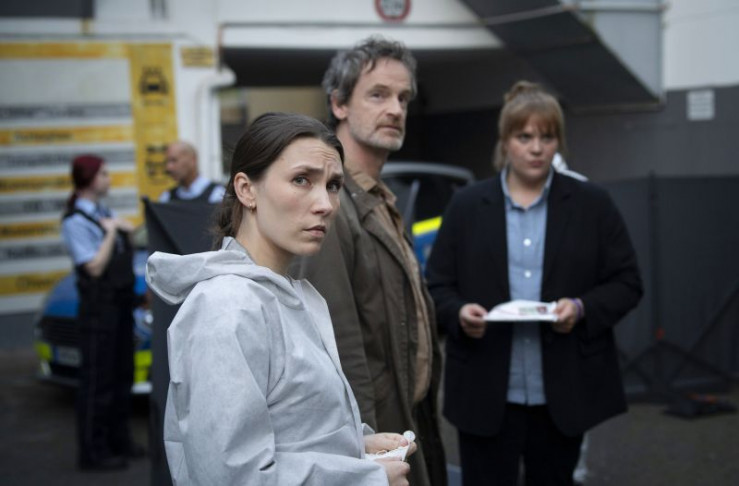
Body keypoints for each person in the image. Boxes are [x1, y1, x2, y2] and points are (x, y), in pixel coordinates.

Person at [146, 112, 415, 485]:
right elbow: (232, 476)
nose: (325, 204)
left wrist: (356, 446)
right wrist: (364, 479)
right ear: (246, 190)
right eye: (301, 179)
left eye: (333, 185)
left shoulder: (287, 292)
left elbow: (290, 430)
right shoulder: (226, 307)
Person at [425, 81, 643, 486]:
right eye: (524, 137)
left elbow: (628, 282)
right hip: (484, 391)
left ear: (559, 142)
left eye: (547, 137)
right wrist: (459, 313)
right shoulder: (466, 206)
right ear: (505, 141)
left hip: (563, 394)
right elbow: (436, 286)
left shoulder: (592, 205)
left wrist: (581, 308)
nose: (537, 148)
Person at [291, 36, 447, 486]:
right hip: (371, 438)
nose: (396, 109)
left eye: (403, 98)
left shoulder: (376, 197)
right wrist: (361, 458)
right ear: (338, 103)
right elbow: (335, 347)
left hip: (404, 422)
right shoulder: (332, 205)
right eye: (378, 95)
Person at [61, 155, 144, 471]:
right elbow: (94, 267)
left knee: (122, 376)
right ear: (90, 178)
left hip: (119, 308)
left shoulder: (103, 213)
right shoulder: (75, 221)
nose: (109, 179)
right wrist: (111, 232)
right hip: (98, 314)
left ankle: (119, 441)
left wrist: (121, 229)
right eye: (104, 174)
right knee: (98, 383)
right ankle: (93, 452)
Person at [158, 140, 225, 203]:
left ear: (193, 160)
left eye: (174, 160)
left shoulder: (217, 194)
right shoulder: (166, 197)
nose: (168, 167)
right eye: (166, 162)